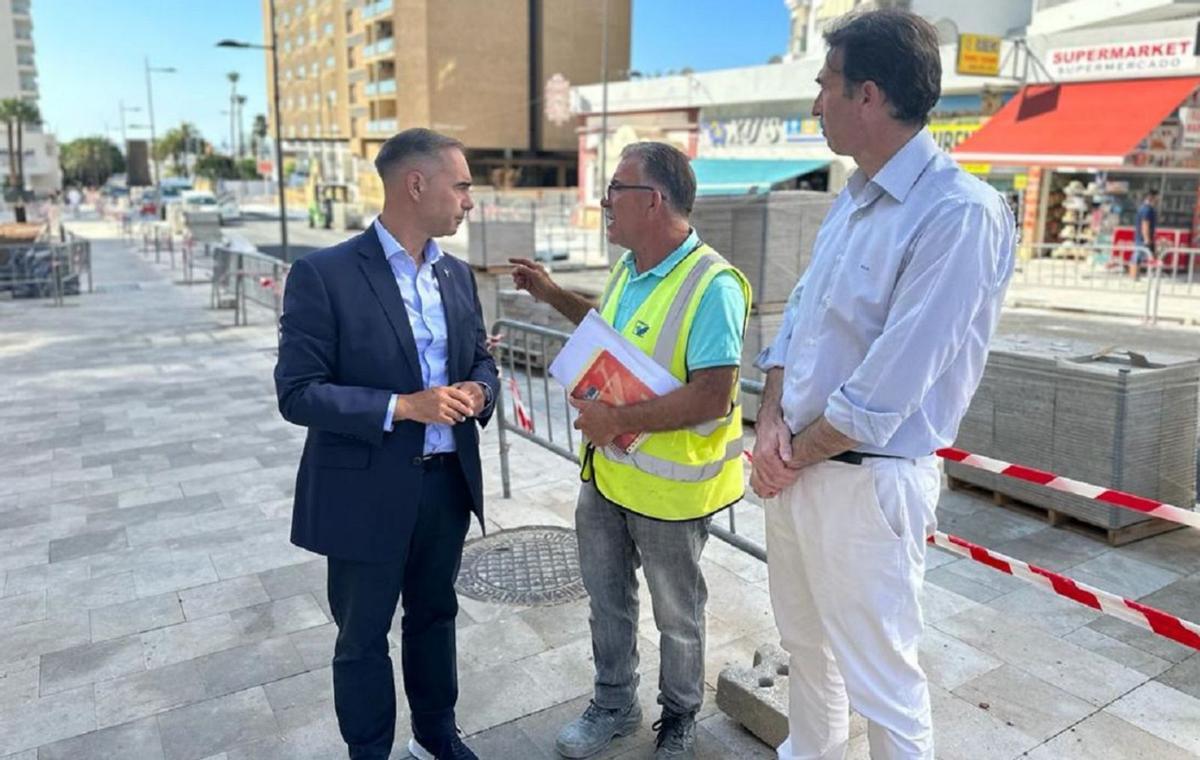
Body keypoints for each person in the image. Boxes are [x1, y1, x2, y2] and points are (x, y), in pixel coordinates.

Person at [749, 10, 1015, 760]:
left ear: (867, 95)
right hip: (799, 469)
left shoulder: (958, 214)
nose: (815, 103)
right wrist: (770, 423)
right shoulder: (853, 201)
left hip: (866, 484)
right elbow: (795, 324)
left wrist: (787, 452)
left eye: (824, 85)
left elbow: (887, 391)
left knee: (883, 685)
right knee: (806, 651)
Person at [510, 142, 751, 760]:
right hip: (609, 476)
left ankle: (680, 718)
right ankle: (614, 704)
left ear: (654, 200)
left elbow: (712, 396)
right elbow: (607, 329)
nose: (604, 201)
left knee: (678, 615)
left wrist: (615, 416)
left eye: (616, 189)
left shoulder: (713, 285)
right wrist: (551, 294)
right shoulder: (630, 269)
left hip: (670, 492)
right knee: (607, 601)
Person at [274, 128, 499, 760]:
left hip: (446, 485)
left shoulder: (456, 275)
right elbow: (297, 393)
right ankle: (369, 751)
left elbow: (481, 360)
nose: (469, 202)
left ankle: (436, 736)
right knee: (363, 636)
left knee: (435, 619)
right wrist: (402, 407)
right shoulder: (324, 274)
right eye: (462, 186)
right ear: (416, 184)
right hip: (364, 491)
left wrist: (480, 392)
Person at [1131, 188, 1158, 279]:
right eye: (1156, 198)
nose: (1158, 200)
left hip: (1143, 237)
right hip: (1143, 238)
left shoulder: (1145, 208)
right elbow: (1145, 224)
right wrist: (1147, 239)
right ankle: (1134, 276)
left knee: (1151, 255)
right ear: (1151, 197)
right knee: (1138, 256)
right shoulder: (1147, 209)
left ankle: (1144, 275)